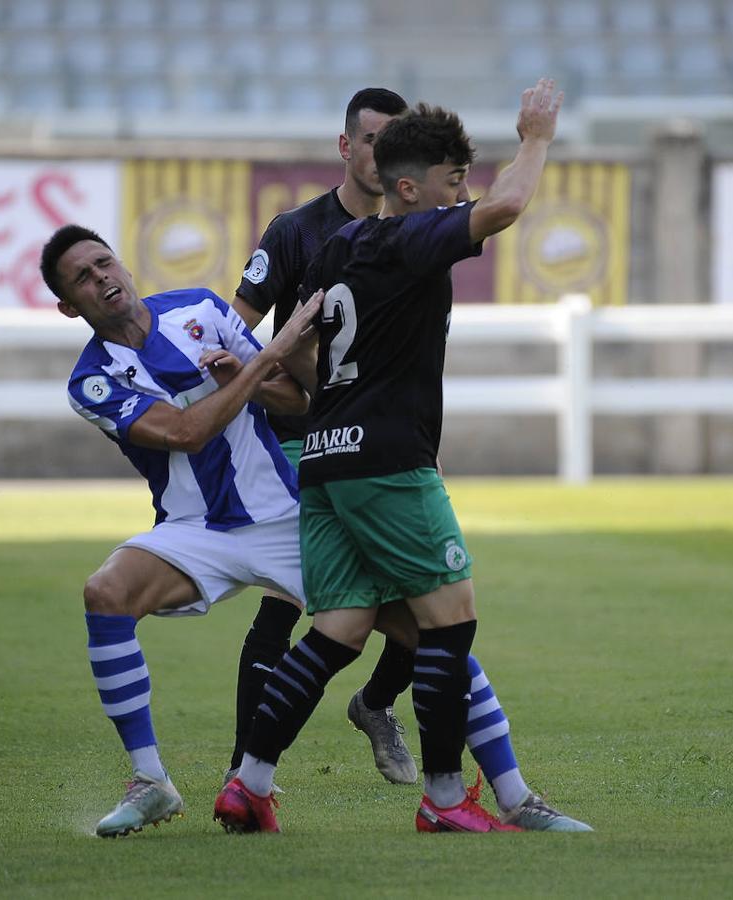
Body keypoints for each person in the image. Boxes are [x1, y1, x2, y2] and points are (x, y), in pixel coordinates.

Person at [215, 79, 589, 834]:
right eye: (455, 184)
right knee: (450, 625)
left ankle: (249, 783)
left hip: (322, 460)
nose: (465, 196)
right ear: (411, 188)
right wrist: (537, 136)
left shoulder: (339, 245)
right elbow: (510, 206)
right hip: (388, 464)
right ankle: (447, 799)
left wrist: (331, 412)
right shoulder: (412, 237)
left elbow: (309, 344)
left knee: (337, 631)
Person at [39, 223, 323, 837]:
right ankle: (151, 782)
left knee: (419, 619)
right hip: (193, 529)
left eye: (104, 263)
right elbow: (184, 434)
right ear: (69, 307)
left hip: (280, 513)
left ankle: (506, 791)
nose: (102, 280)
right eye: (83, 280)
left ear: (124, 265)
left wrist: (246, 377)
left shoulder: (202, 308)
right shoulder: (91, 382)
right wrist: (264, 361)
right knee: (105, 593)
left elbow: (295, 402)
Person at [226, 87, 423, 787]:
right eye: (372, 141)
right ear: (346, 147)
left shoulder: (411, 239)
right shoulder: (295, 233)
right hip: (298, 451)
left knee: (426, 600)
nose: (381, 156)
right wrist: (295, 392)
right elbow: (232, 335)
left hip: (382, 448)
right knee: (284, 602)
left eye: (395, 144)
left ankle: (374, 703)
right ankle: (243, 776)